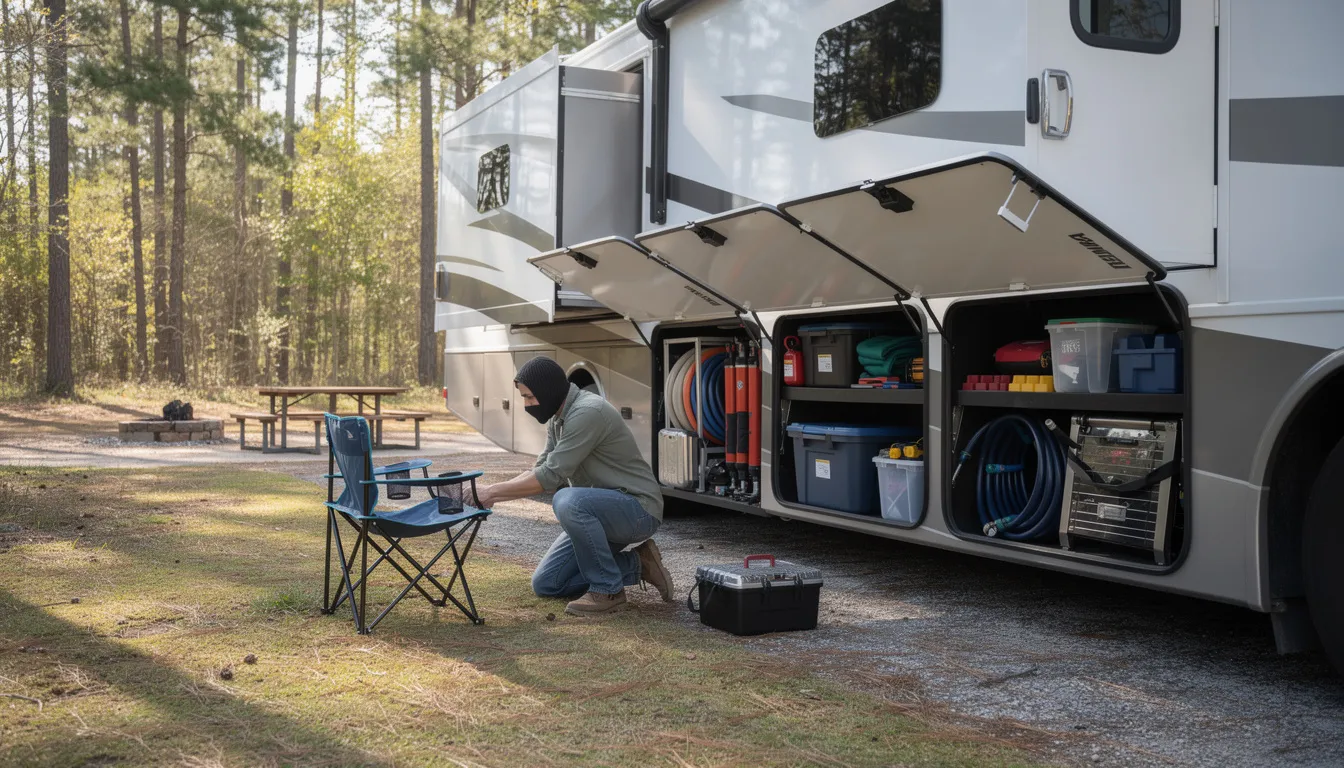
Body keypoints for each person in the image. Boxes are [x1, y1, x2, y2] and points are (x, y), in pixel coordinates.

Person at [473, 356, 673, 616]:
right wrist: (488, 492)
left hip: (637, 510)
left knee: (567, 501)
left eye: (530, 397)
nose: (526, 405)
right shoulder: (559, 417)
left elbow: (550, 477)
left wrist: (490, 493)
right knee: (548, 583)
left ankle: (607, 590)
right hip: (602, 511)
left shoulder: (588, 412)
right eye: (523, 398)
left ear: (548, 391)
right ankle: (640, 564)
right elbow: (540, 468)